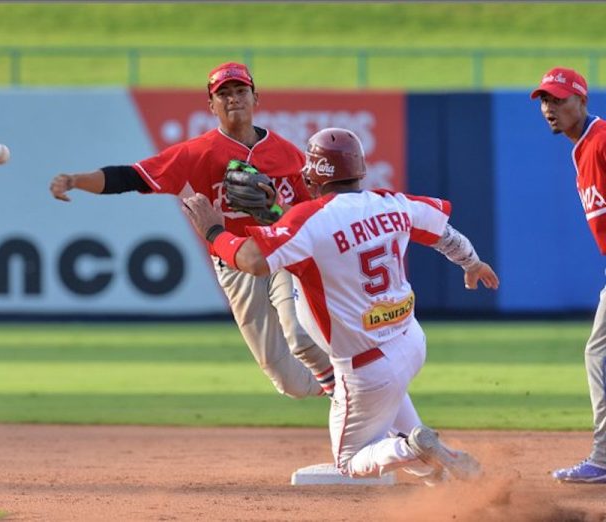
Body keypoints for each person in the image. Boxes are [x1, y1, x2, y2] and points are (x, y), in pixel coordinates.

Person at [181, 127, 500, 483]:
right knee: (396, 413)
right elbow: (445, 234)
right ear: (360, 168)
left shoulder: (309, 223)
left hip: (365, 368)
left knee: (350, 460)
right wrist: (472, 264)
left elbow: (253, 260)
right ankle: (451, 477)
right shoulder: (392, 203)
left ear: (313, 173)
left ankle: (412, 448)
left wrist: (213, 232)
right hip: (410, 342)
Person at [49, 61, 334, 399]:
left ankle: (353, 394)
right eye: (223, 94)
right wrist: (76, 181)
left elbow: (311, 216)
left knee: (300, 335)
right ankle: (340, 388)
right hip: (235, 263)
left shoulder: (288, 155)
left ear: (256, 97)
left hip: (280, 255)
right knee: (289, 381)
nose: (233, 99)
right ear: (211, 106)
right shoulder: (196, 153)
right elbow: (132, 176)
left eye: (240, 91)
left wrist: (273, 211)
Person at [531, 67, 606, 484]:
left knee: (600, 353)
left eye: (558, 99)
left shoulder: (600, 140)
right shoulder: (583, 148)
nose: (549, 108)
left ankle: (604, 457)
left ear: (582, 100)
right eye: (544, 100)